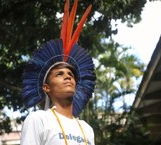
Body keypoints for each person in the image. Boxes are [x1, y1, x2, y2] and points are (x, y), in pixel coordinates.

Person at [21, 0, 96, 145]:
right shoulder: (39, 120)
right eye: (59, 74)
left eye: (71, 74)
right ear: (46, 87)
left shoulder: (87, 129)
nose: (68, 76)